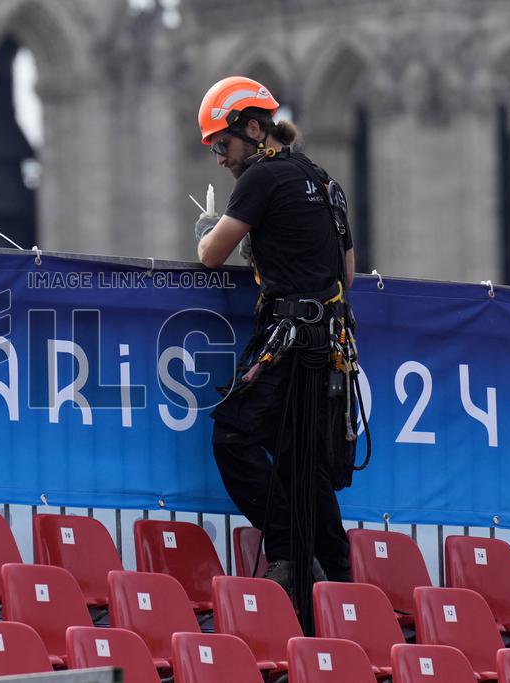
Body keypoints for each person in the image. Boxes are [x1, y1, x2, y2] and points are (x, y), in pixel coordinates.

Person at [193, 76, 367, 626]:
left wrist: (215, 229)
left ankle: (292, 552)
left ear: (252, 127)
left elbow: (209, 256)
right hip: (329, 345)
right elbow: (347, 275)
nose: (220, 158)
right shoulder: (325, 181)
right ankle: (339, 589)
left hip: (288, 340)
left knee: (235, 435)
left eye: (223, 144)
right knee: (305, 462)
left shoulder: (262, 178)